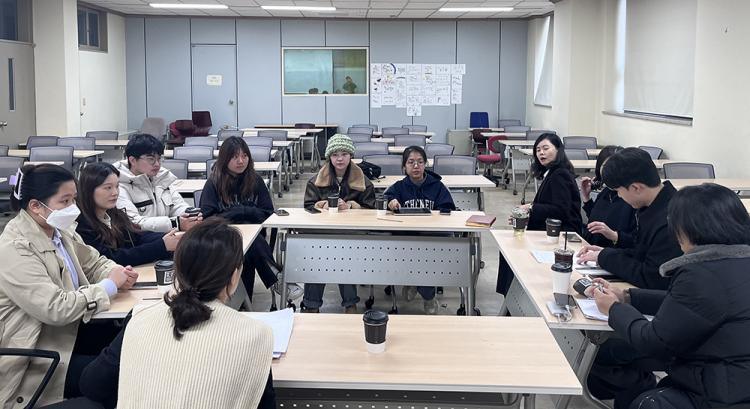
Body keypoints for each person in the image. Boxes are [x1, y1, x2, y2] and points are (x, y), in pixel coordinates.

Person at [585, 183, 750, 409]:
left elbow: (654, 342)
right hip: (728, 371)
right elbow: (690, 306)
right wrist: (628, 297)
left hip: (723, 388)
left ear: (689, 228)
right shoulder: (733, 262)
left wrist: (614, 309)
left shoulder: (701, 273)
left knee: (644, 398)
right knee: (616, 355)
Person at [0, 164, 138, 407]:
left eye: (74, 199)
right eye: (65, 201)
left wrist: (117, 272)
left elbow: (93, 262)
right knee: (118, 378)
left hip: (70, 335)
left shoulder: (58, 230)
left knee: (133, 349)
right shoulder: (14, 248)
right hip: (40, 356)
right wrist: (108, 286)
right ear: (35, 206)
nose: (73, 207)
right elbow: (56, 308)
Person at [117, 219, 274, 409]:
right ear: (234, 277)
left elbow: (93, 383)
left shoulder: (139, 318)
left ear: (177, 271)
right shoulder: (257, 334)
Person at [199, 136, 302, 302]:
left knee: (249, 247)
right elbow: (207, 219)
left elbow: (267, 213)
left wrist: (240, 212)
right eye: (235, 157)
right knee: (247, 242)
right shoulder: (213, 183)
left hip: (252, 237)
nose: (241, 161)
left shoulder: (255, 181)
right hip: (222, 240)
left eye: (244, 156)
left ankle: (244, 303)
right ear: (225, 159)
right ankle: (275, 276)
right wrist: (241, 212)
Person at [577, 147, 682, 289]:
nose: (619, 196)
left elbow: (652, 277)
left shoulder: (670, 219)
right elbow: (639, 252)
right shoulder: (653, 205)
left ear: (636, 188)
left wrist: (606, 258)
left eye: (618, 191)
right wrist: (605, 253)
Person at [496, 133, 582, 297]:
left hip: (562, 234)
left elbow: (560, 211)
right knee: (509, 246)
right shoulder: (553, 172)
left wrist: (531, 208)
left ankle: (514, 297)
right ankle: (512, 297)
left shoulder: (560, 175)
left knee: (514, 250)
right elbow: (550, 206)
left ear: (558, 150)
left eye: (545, 148)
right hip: (550, 230)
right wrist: (527, 215)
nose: (541, 153)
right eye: (538, 150)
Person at [302, 134, 376, 313]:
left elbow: (371, 210)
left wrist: (351, 206)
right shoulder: (315, 181)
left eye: (344, 154)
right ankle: (311, 305)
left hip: (352, 235)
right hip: (322, 235)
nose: (340, 158)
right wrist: (323, 205)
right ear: (329, 157)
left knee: (346, 255)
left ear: (351, 156)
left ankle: (350, 303)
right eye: (335, 154)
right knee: (316, 258)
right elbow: (308, 207)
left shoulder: (364, 182)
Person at [384, 145, 456, 314]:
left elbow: (448, 209)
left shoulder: (438, 186)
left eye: (420, 162)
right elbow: (386, 199)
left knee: (426, 260)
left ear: (425, 164)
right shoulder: (399, 187)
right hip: (405, 238)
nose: (416, 166)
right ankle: (416, 285)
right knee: (409, 255)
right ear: (404, 166)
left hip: (432, 239)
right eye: (411, 162)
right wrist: (390, 203)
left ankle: (425, 294)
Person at [76, 163, 177, 266]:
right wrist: (161, 246)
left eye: (117, 186)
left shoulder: (114, 214)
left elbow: (136, 237)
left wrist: (170, 238)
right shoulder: (81, 226)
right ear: (89, 190)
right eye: (108, 188)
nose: (115, 192)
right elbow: (112, 258)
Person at [115, 133, 202, 233]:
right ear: (133, 160)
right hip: (141, 239)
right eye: (151, 159)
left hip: (168, 235)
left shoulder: (161, 178)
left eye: (159, 159)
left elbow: (178, 205)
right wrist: (175, 223)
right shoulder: (118, 186)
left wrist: (190, 215)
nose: (157, 164)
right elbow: (134, 222)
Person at [580, 145, 636, 248]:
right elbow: (596, 220)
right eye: (606, 166)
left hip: (612, 252)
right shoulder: (606, 192)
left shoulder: (632, 199)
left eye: (616, 167)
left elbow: (637, 241)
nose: (611, 171)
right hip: (590, 248)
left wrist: (614, 235)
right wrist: (586, 197)